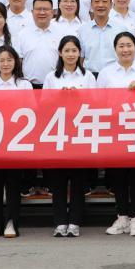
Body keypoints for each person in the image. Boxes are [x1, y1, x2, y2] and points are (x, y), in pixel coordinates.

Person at [98, 32, 135, 237]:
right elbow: (98, 100)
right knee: (118, 175)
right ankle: (122, 216)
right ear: (115, 49)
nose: (125, 49)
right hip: (114, 129)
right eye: (121, 46)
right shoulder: (105, 73)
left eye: (129, 45)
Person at [43, 36, 97, 237]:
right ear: (60, 53)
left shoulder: (88, 76)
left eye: (74, 50)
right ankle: (59, 222)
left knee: (78, 181)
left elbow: (95, 101)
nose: (71, 54)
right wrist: (60, 96)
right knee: (58, 182)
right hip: (57, 132)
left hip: (80, 131)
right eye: (67, 50)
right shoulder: (51, 77)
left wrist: (78, 95)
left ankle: (74, 222)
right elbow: (44, 103)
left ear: (79, 53)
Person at [0, 45, 33, 238]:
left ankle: (12, 222)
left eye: (9, 60)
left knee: (13, 184)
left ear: (16, 62)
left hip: (16, 141)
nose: (5, 64)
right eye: (1, 60)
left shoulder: (24, 85)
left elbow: (31, 111)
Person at [78, 0, 130, 73]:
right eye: (96, 1)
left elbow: (127, 57)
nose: (100, 5)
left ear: (111, 5)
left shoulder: (121, 30)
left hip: (115, 76)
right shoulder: (82, 30)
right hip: (90, 76)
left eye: (104, 1)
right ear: (91, 5)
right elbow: (80, 59)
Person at [18, 0, 61, 85]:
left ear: (52, 12)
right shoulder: (22, 34)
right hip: (29, 86)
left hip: (54, 85)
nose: (42, 12)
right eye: (38, 9)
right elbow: (18, 62)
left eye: (46, 9)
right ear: (32, 12)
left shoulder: (60, 34)